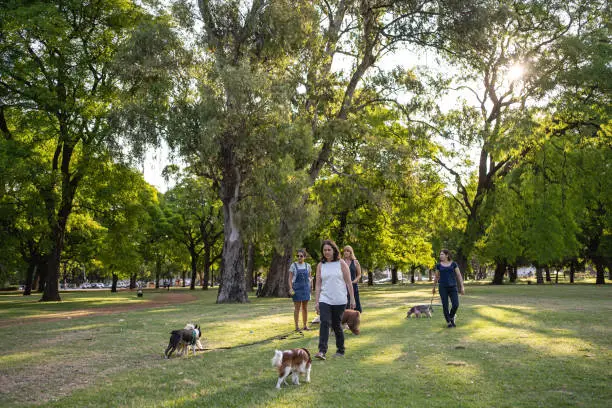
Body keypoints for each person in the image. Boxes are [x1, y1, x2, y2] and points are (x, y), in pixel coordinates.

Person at [314, 240, 355, 360]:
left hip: (339, 299)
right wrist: (317, 301)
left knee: (337, 325)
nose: (326, 252)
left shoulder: (341, 263)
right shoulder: (321, 265)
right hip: (325, 298)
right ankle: (322, 351)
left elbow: (348, 282)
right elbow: (317, 284)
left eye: (329, 250)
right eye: (324, 250)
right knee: (325, 322)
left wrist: (352, 299)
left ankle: (340, 350)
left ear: (334, 250)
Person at [432, 249, 465, 328]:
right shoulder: (438, 265)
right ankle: (449, 322)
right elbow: (436, 277)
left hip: (453, 287)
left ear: (447, 255)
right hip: (443, 287)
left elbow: (459, 275)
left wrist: (462, 287)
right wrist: (433, 288)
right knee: (445, 305)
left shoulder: (454, 264)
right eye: (440, 254)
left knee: (456, 304)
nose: (440, 256)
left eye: (442, 254)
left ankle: (451, 317)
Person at [288, 249, 312, 331]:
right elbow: (290, 279)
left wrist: (311, 287)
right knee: (297, 308)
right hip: (297, 289)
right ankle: (297, 326)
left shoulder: (308, 266)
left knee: (305, 308)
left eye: (301, 256)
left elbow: (309, 278)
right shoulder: (293, 265)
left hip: (305, 288)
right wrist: (291, 288)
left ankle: (305, 325)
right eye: (297, 256)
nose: (299, 257)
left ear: (304, 257)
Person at [342, 245, 362, 313]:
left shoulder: (355, 262)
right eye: (344, 251)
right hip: (343, 286)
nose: (346, 252)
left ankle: (355, 319)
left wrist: (355, 281)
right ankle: (345, 318)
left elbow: (359, 274)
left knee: (354, 304)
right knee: (345, 303)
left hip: (353, 285)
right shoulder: (341, 262)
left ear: (351, 252)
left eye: (348, 251)